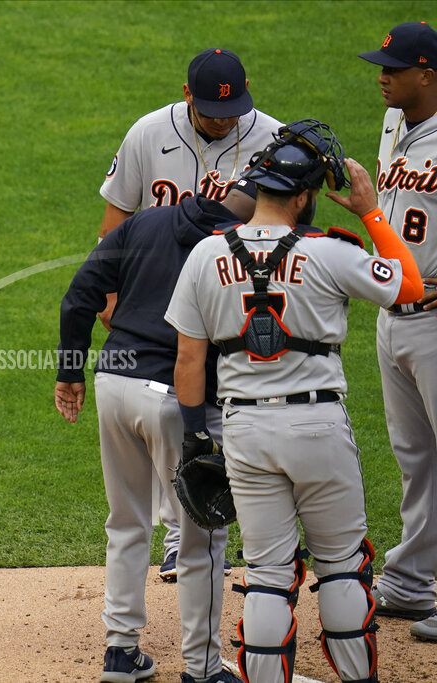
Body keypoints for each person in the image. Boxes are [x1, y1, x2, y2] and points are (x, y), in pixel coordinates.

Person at [166, 119, 423, 683]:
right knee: (340, 566)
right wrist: (370, 212)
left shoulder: (205, 257)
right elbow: (407, 285)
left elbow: (188, 361)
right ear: (304, 197)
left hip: (245, 433)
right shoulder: (330, 252)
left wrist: (193, 437)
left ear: (258, 189)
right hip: (318, 426)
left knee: (268, 573)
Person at [55, 178, 258, 682]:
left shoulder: (144, 220)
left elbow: (78, 296)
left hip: (114, 384)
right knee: (201, 539)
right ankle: (204, 668)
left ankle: (120, 653)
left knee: (126, 522)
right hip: (176, 398)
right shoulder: (236, 247)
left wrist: (69, 371)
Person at [98, 46, 282, 578]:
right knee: (177, 413)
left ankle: (252, 531)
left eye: (233, 111)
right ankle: (185, 533)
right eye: (211, 111)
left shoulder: (270, 137)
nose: (225, 121)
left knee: (243, 412)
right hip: (160, 300)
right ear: (186, 96)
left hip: (237, 297)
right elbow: (116, 220)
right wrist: (112, 292)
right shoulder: (147, 133)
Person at [358, 20, 437, 643]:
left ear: (427, 75)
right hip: (394, 316)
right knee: (415, 457)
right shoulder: (393, 125)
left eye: (393, 68)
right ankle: (411, 581)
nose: (381, 76)